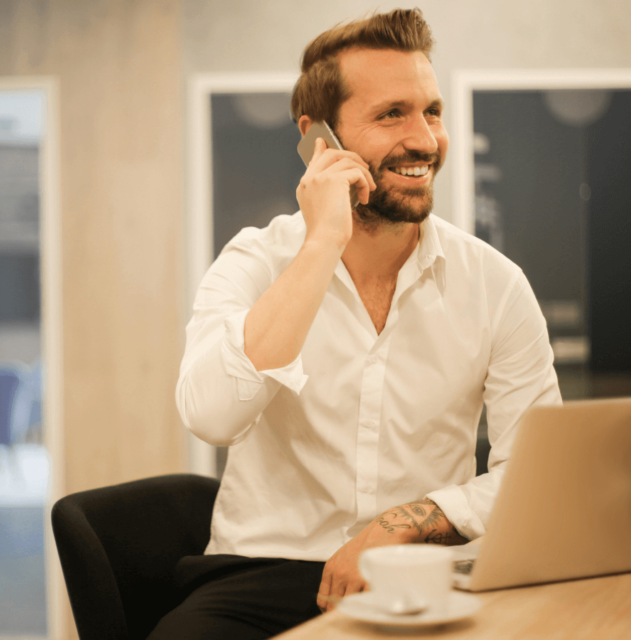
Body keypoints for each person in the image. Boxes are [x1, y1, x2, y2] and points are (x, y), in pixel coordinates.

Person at [163, 8, 561, 639]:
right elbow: (213, 417)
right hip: (264, 571)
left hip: (424, 571)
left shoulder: (496, 285)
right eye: (391, 115)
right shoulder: (255, 260)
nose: (426, 140)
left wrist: (400, 524)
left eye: (431, 111)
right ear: (320, 139)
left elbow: (537, 474)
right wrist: (321, 245)